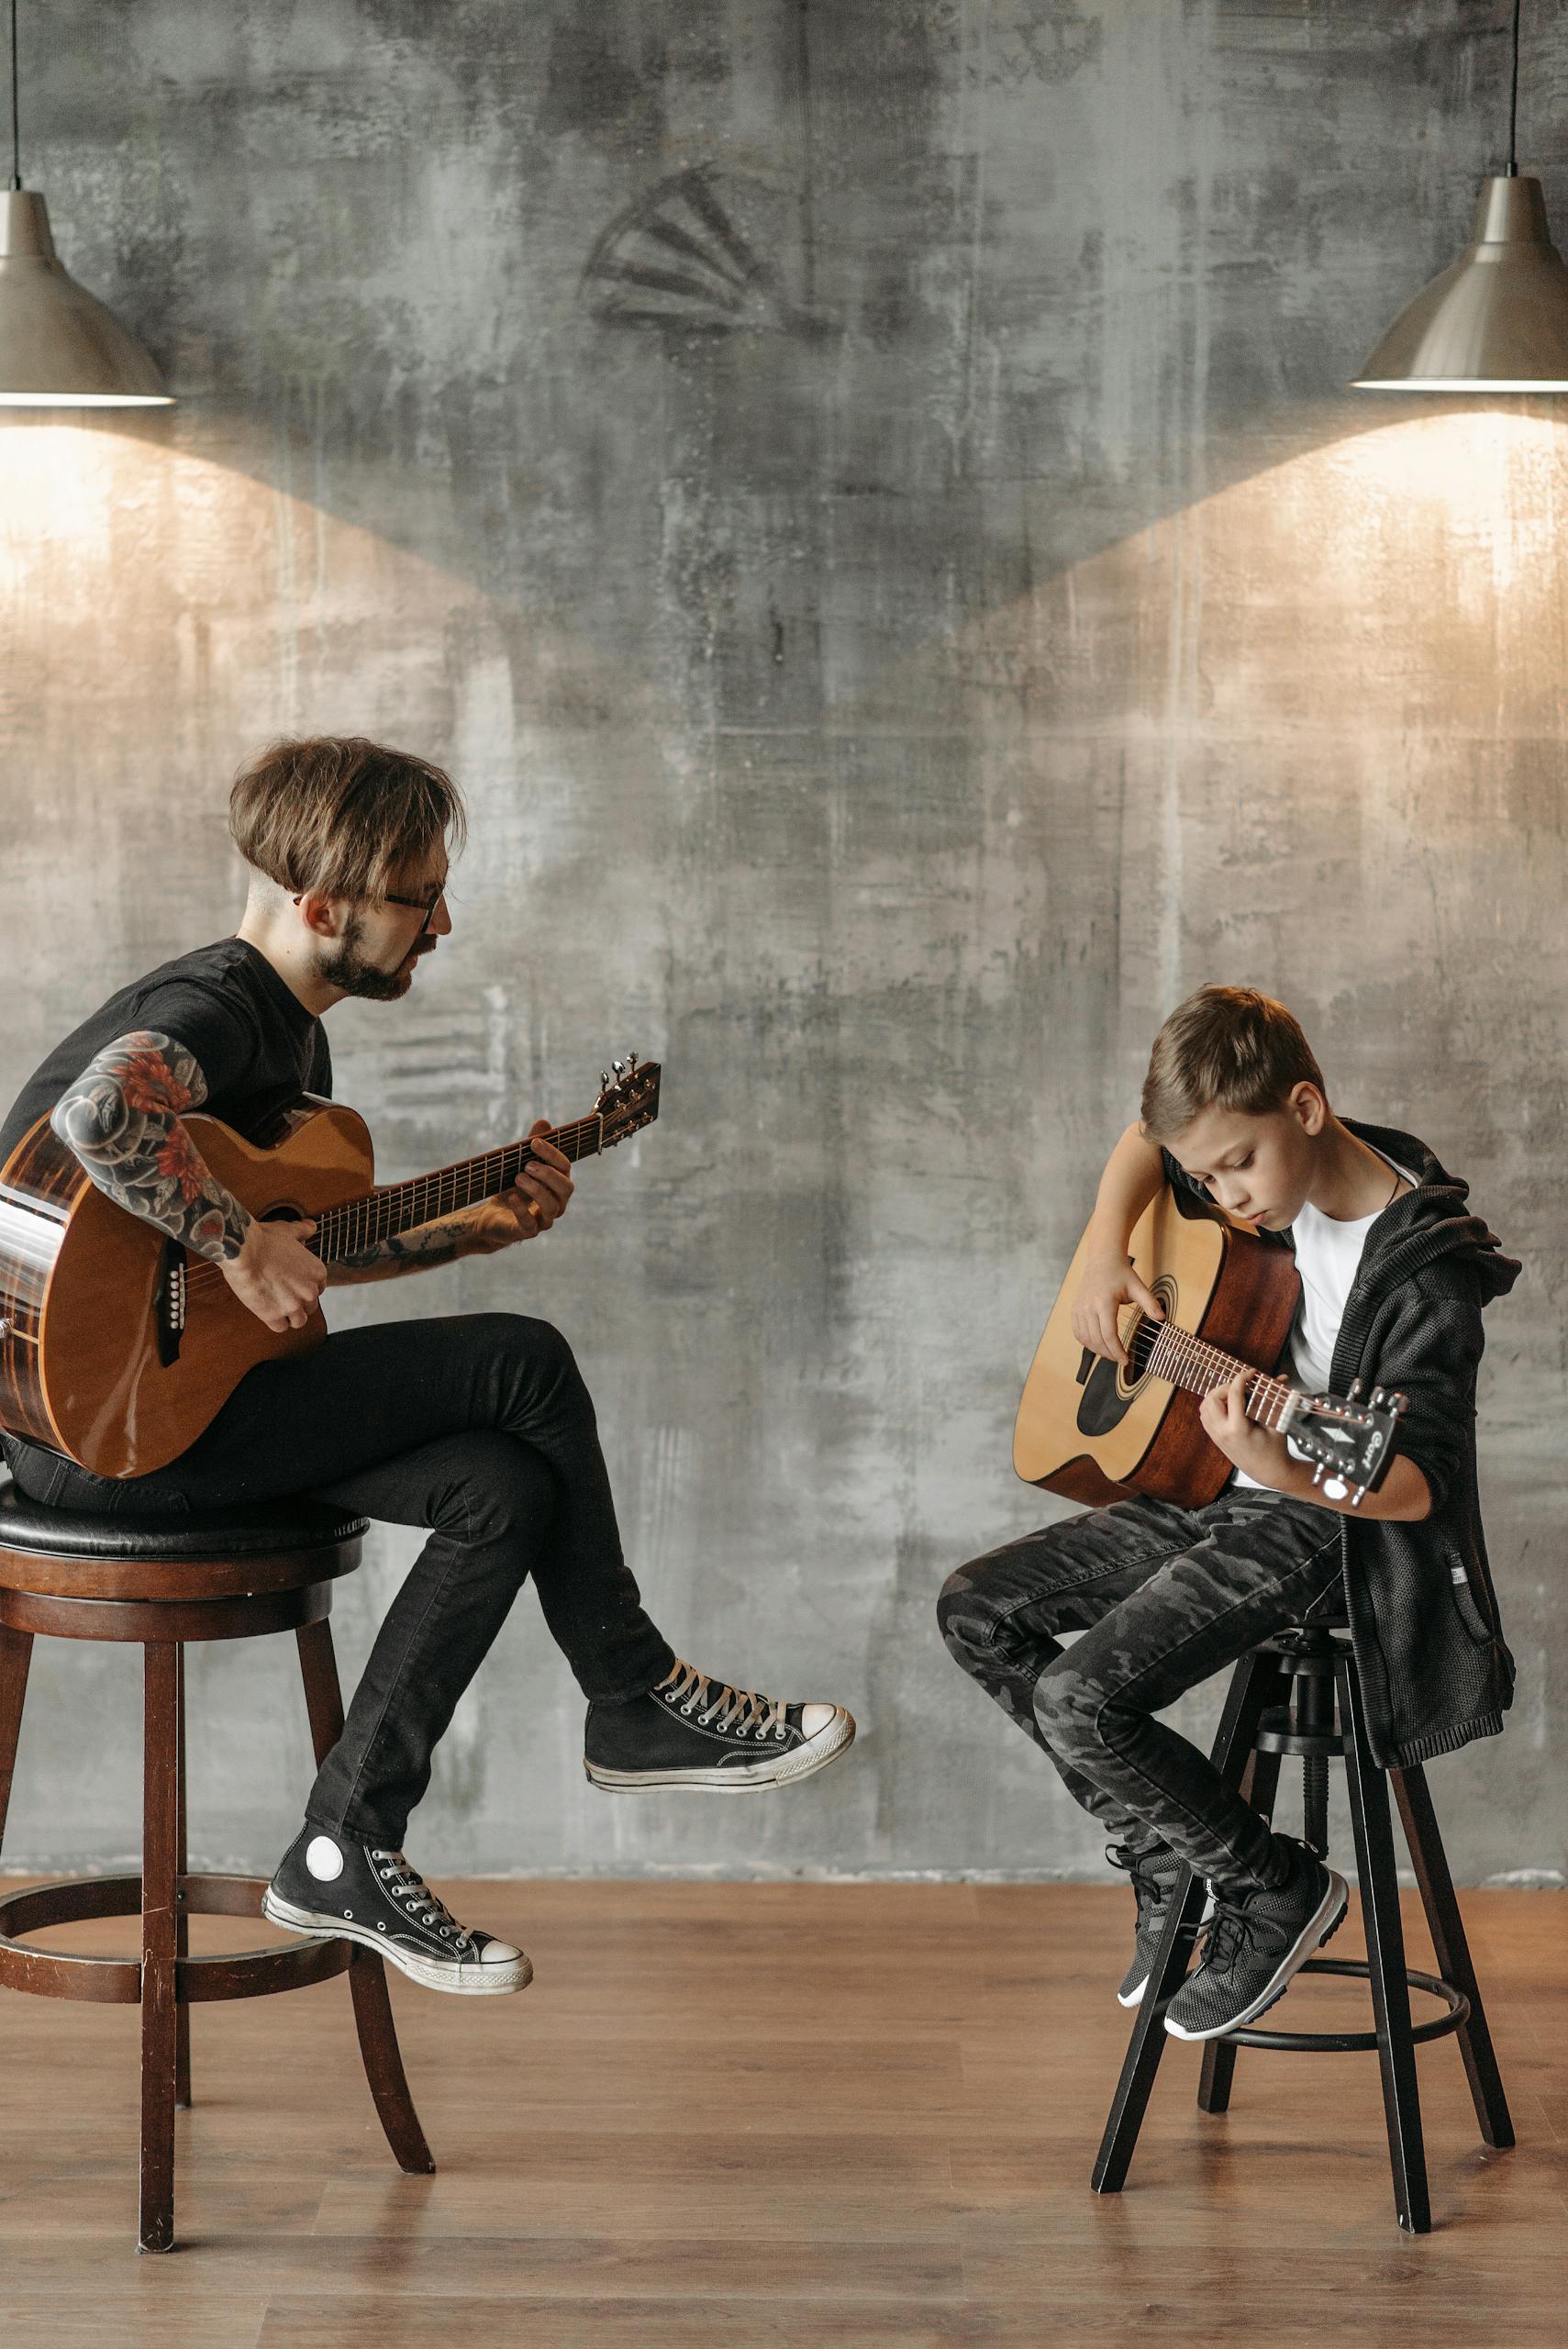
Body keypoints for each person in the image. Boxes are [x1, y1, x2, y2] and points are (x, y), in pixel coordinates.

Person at [0, 736, 854, 1998]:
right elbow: (101, 1119)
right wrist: (233, 1243)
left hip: (165, 1410)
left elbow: (293, 1271)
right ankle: (628, 1693)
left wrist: (465, 1229)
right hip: (94, 1444)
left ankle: (346, 1842)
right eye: (416, 896)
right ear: (322, 902)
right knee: (526, 1359)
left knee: (500, 1483)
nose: (441, 921)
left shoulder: (294, 1049)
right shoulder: (214, 1011)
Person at [938, 984, 1518, 2043]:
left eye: (1232, 1166)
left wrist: (1280, 1463)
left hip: (1321, 1526)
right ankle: (1166, 1847)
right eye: (1201, 1174)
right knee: (976, 1607)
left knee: (1077, 1702)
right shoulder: (1244, 1177)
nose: (1221, 1194)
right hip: (1209, 1491)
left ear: (1303, 1107)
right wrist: (1109, 1245)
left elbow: (1416, 1484)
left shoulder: (1425, 1270)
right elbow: (1141, 1139)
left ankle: (1273, 1887)